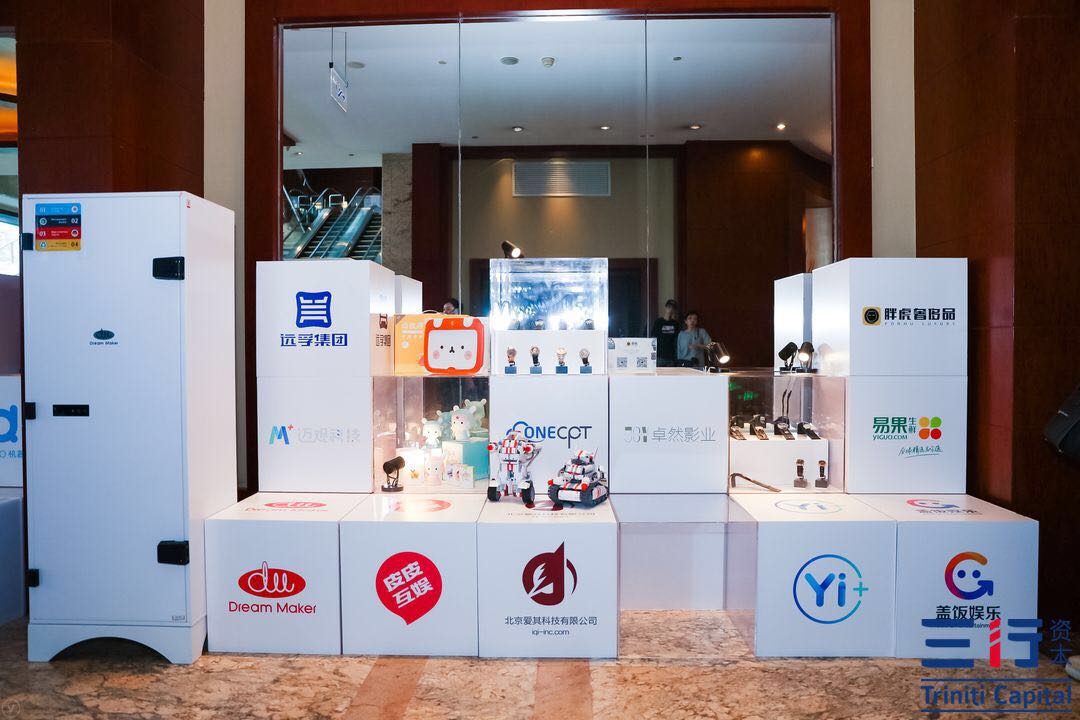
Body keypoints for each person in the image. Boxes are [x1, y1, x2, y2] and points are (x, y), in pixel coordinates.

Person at [651, 299, 680, 367]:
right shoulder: (658, 322)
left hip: (671, 356)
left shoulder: (675, 324)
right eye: (669, 307)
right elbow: (653, 337)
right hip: (659, 355)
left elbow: (677, 340)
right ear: (666, 308)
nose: (670, 309)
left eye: (673, 308)